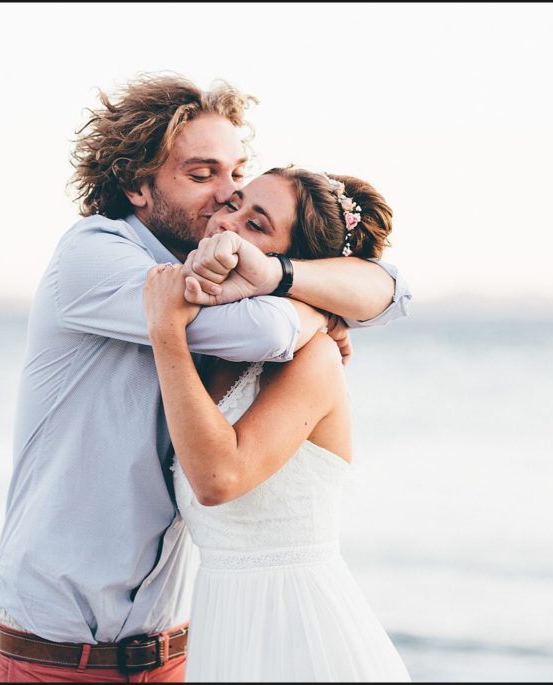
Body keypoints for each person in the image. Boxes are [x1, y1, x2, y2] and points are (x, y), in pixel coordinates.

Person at [0, 74, 411, 682]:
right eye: (202, 175)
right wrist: (316, 305)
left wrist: (281, 278)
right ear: (136, 184)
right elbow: (264, 330)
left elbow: (393, 292)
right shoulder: (95, 257)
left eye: (237, 175)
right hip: (56, 658)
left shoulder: (222, 274)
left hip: (176, 653)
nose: (224, 197)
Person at [144, 166, 412, 681]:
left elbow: (219, 478)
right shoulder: (219, 343)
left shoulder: (312, 358)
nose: (226, 223)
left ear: (289, 261)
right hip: (225, 626)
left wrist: (165, 332)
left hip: (302, 630)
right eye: (234, 203)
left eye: (256, 224)